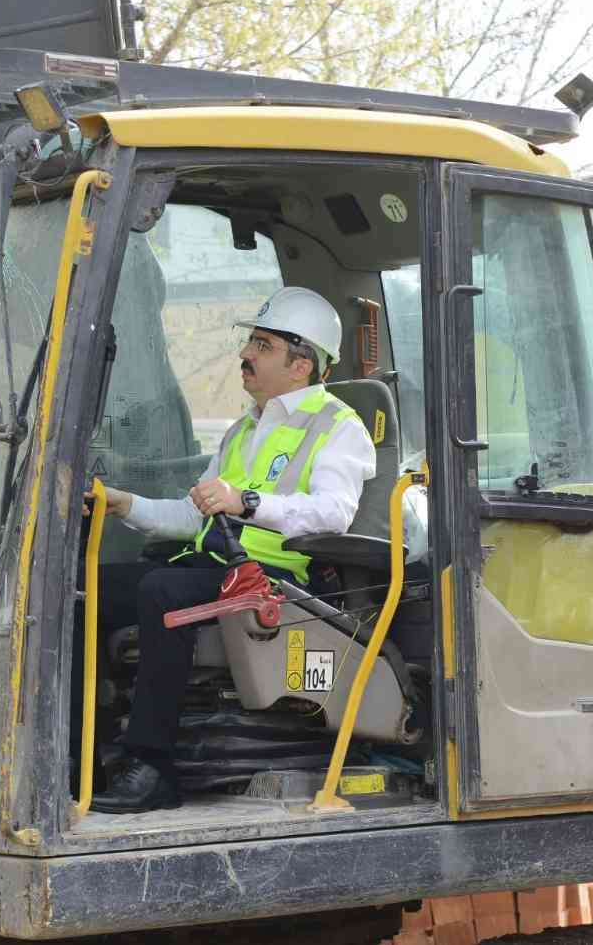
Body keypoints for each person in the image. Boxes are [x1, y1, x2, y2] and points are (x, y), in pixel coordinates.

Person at [83, 287, 376, 814]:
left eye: (261, 345)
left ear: (301, 362)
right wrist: (123, 504)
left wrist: (248, 501)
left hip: (280, 580)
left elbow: (334, 513)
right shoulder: (244, 429)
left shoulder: (338, 426)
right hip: (220, 568)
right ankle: (84, 757)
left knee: (163, 591)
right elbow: (194, 514)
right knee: (88, 591)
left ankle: (153, 769)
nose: (245, 355)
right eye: (250, 343)